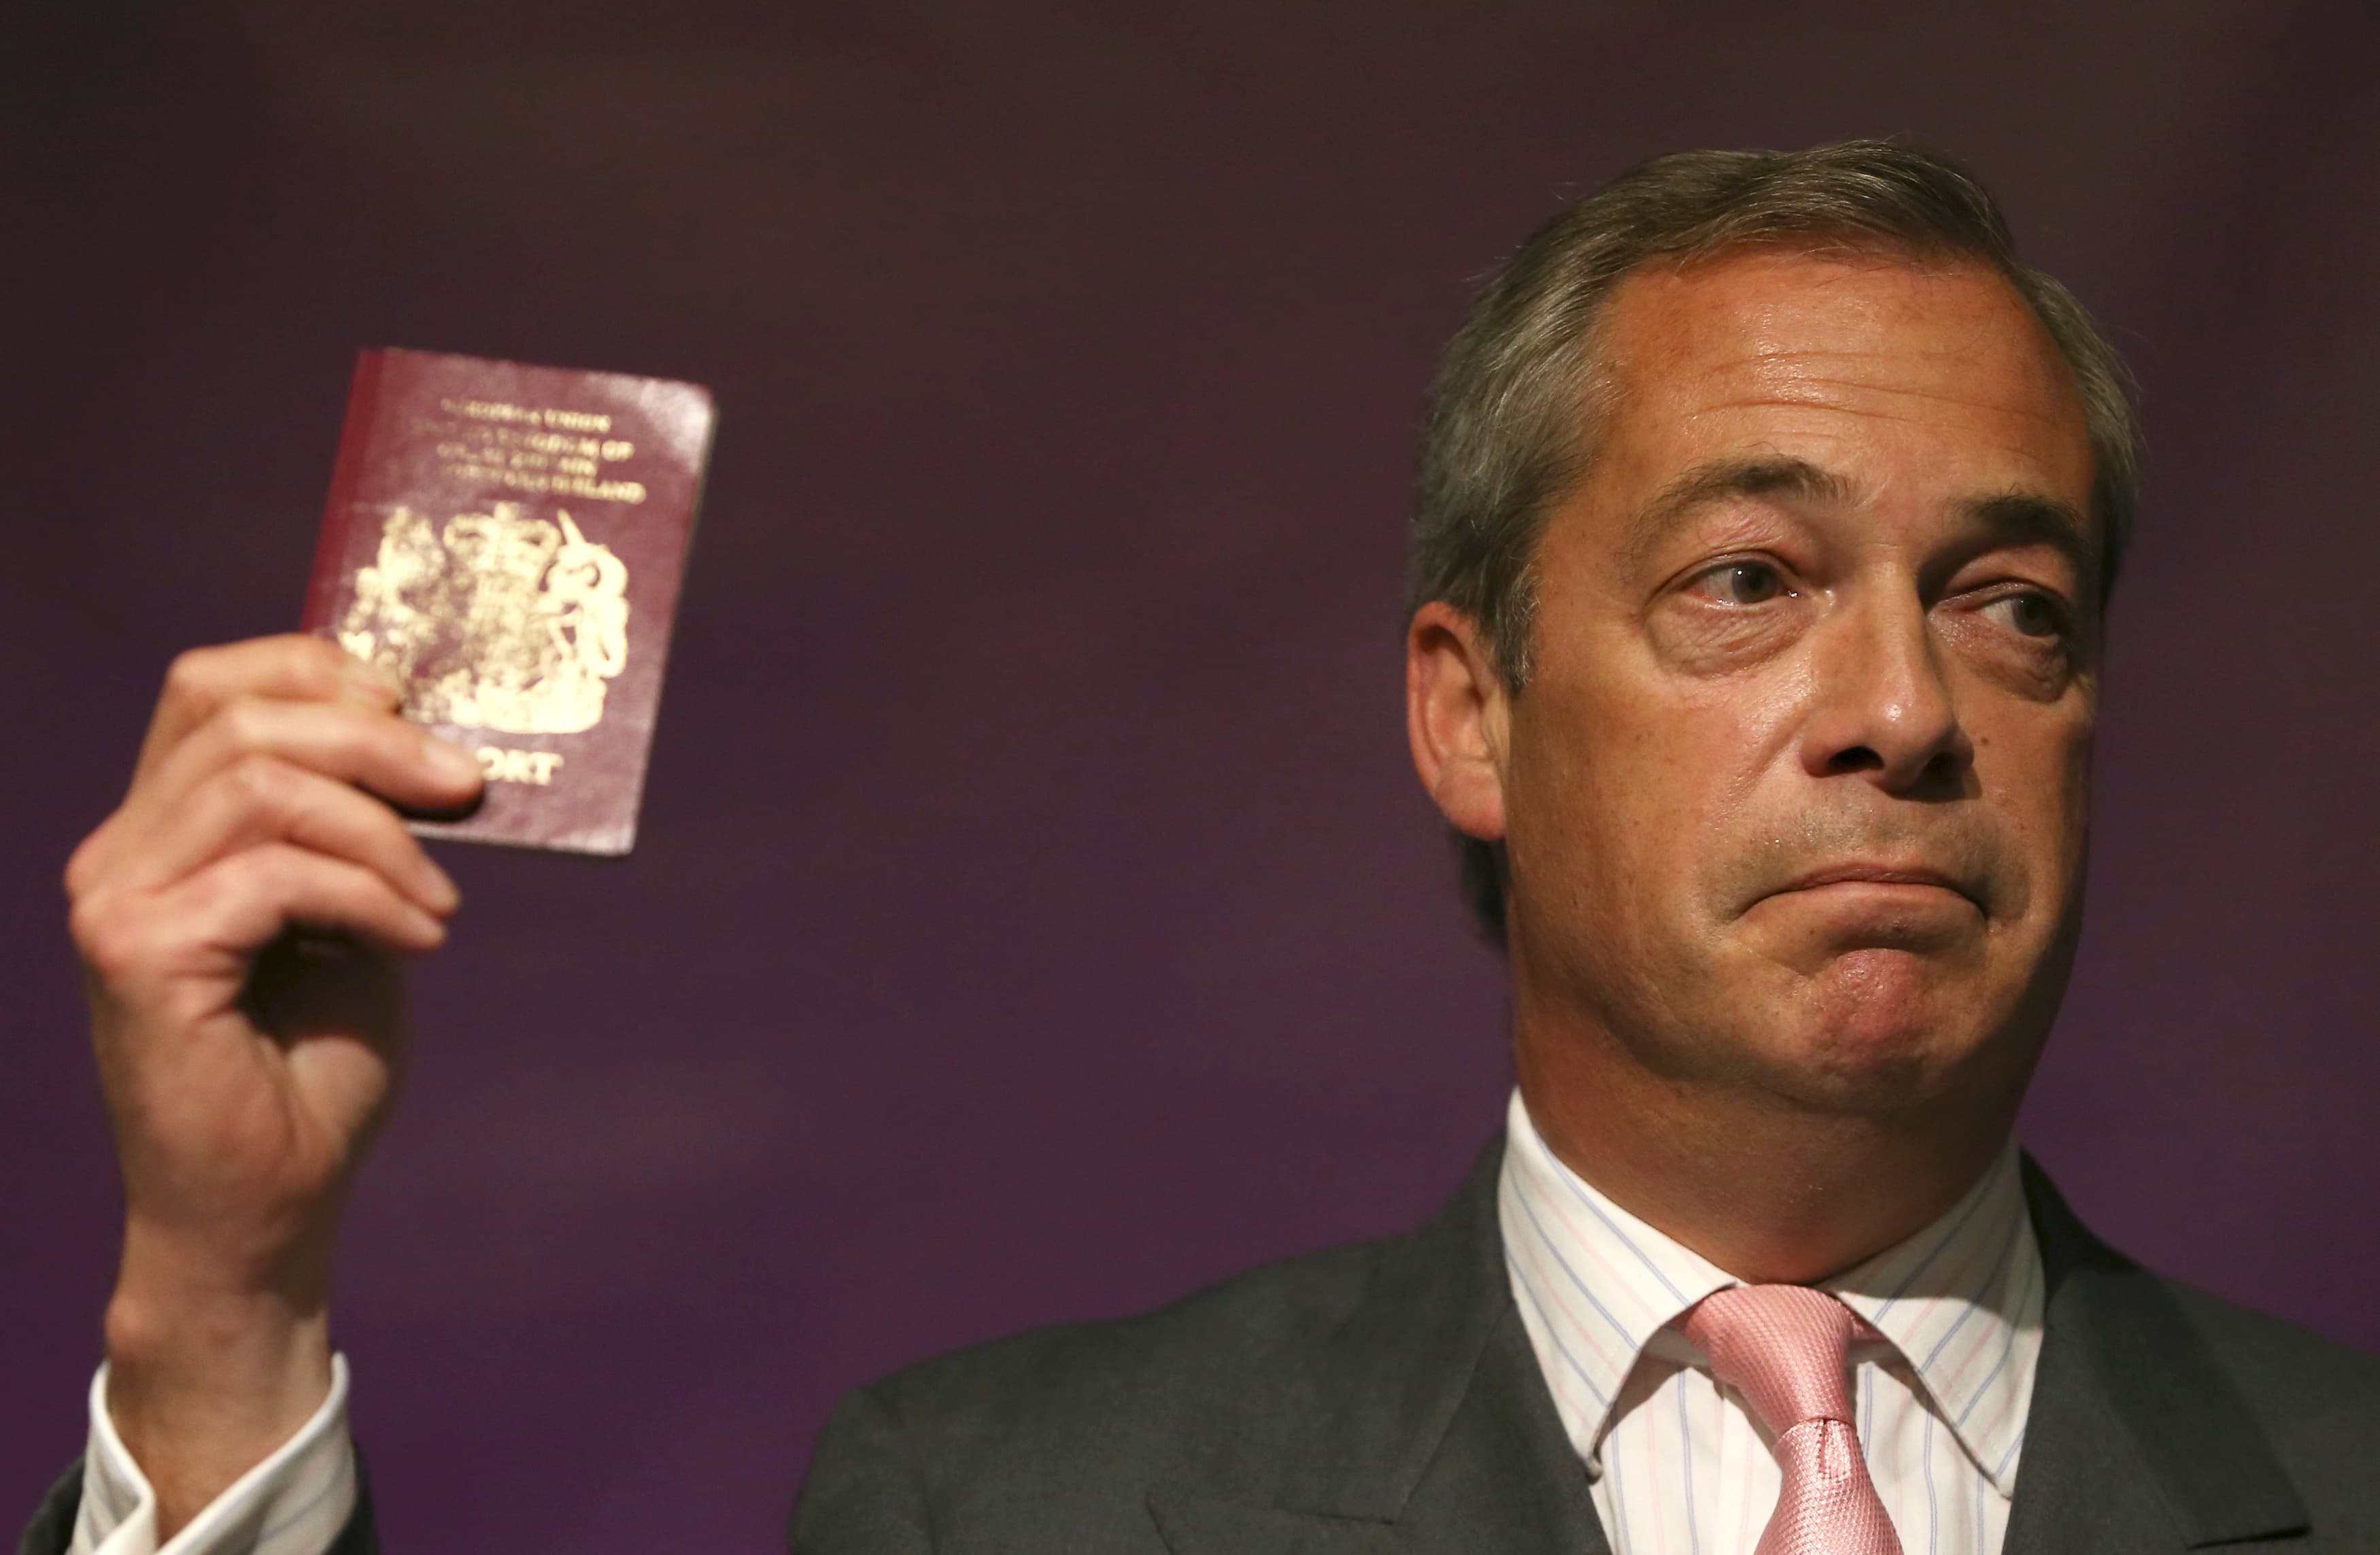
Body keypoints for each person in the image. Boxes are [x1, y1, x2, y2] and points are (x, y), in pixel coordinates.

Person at [23, 140, 2380, 1555]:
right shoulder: (1005, 1515)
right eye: (1746, 584)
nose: (1898, 712)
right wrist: (219, 1326)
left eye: (2010, 607)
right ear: (1471, 714)